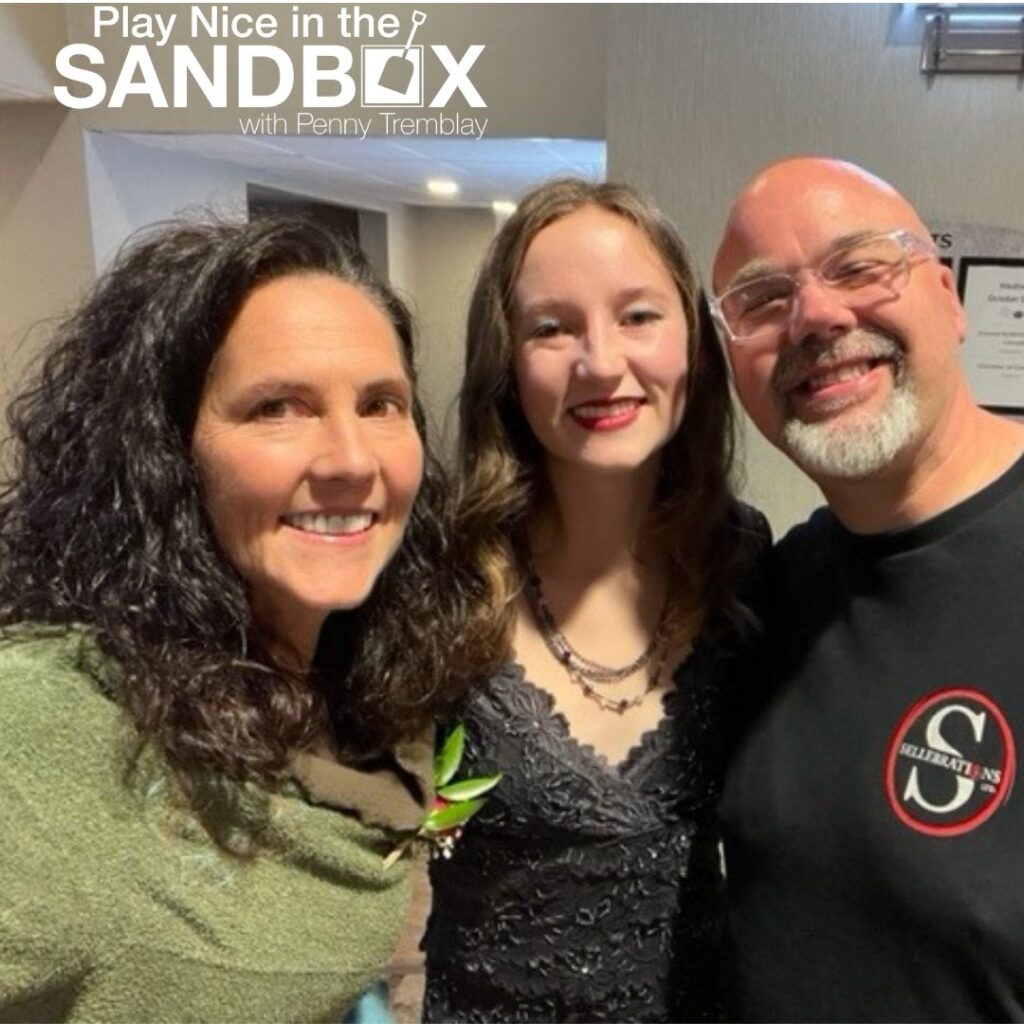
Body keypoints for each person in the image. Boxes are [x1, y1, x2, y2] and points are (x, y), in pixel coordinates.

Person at [0, 217, 465, 1021]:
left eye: (381, 403)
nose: (352, 459)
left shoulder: (354, 693)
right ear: (168, 450)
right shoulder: (46, 721)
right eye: (278, 407)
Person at [422, 178, 768, 1022]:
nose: (602, 362)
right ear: (504, 359)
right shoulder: (436, 572)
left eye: (639, 315)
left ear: (692, 336)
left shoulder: (744, 561)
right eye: (552, 327)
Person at [712, 156, 1024, 1022]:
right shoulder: (767, 595)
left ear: (951, 299)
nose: (815, 314)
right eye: (762, 299)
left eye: (859, 266)